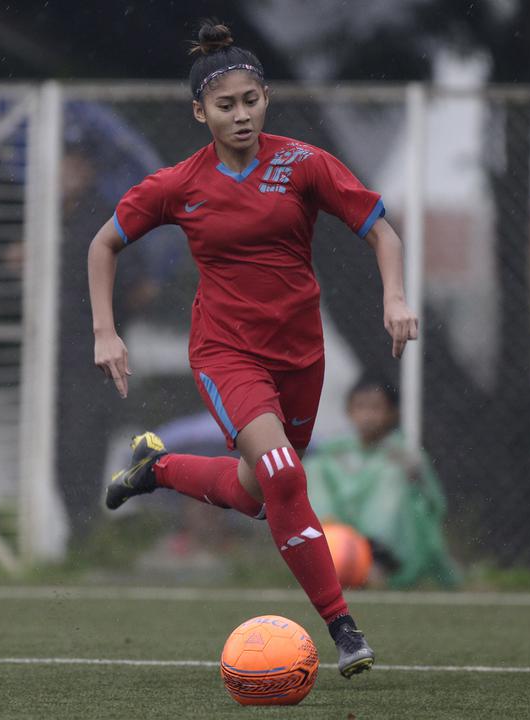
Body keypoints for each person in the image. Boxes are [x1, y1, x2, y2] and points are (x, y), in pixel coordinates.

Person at [88, 22, 418, 679]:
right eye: (225, 105)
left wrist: (396, 297)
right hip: (226, 353)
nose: (240, 115)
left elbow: (382, 232)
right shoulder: (179, 184)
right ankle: (344, 628)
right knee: (285, 476)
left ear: (266, 98)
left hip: (301, 355)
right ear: (200, 113)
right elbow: (104, 244)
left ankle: (157, 469)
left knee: (257, 492)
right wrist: (105, 331)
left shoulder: (303, 164)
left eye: (250, 101)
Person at [305, 375, 460, 589]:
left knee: (392, 475)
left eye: (376, 408)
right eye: (360, 407)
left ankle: (377, 562)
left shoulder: (404, 456)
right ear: (349, 411)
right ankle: (324, 549)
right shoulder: (335, 451)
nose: (367, 416)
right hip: (340, 545)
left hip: (396, 554)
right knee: (313, 468)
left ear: (392, 413)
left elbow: (433, 505)